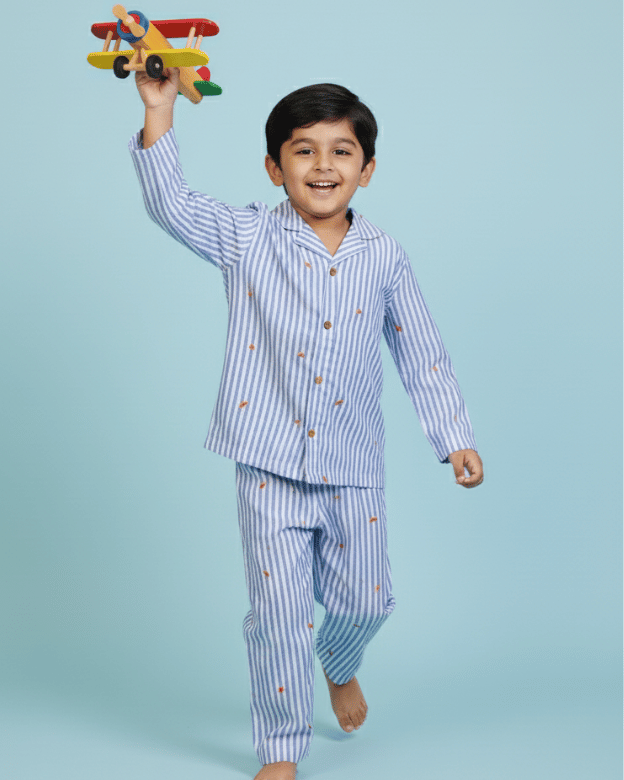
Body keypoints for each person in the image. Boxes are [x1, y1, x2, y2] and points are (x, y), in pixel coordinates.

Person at [128, 68, 484, 780]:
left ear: (368, 169)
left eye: (341, 151)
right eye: (303, 150)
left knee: (369, 599)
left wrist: (454, 437)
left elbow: (420, 348)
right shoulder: (246, 236)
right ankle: (282, 749)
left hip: (352, 465)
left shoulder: (384, 255)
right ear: (274, 166)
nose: (323, 165)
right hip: (266, 462)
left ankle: (340, 660)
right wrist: (161, 108)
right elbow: (170, 203)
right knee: (277, 615)